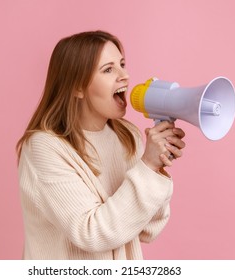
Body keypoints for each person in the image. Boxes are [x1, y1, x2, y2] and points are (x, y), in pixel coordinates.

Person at [16, 30, 186, 260]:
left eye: (122, 64)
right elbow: (91, 233)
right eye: (108, 69)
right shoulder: (44, 148)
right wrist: (146, 167)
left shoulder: (128, 136)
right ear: (77, 87)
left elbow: (149, 229)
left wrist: (156, 168)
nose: (124, 75)